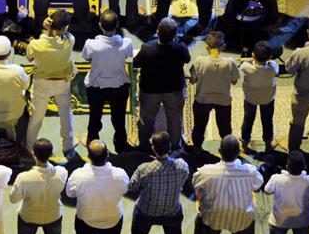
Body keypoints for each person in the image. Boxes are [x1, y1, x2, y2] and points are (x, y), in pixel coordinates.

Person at [191, 135, 263, 234]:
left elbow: (196, 184)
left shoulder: (205, 172)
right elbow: (258, 184)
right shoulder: (249, 171)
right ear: (238, 153)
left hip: (212, 216)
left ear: (219, 151)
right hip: (242, 217)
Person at [124, 132, 190, 234]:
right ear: (169, 147)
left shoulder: (144, 169)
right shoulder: (181, 166)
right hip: (172, 212)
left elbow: (132, 187)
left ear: (153, 148)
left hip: (146, 212)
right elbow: (185, 178)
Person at [66, 140, 129, 234]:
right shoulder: (119, 174)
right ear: (107, 155)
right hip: (112, 221)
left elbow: (70, 193)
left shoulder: (78, 175)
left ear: (88, 156)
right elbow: (125, 189)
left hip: (86, 221)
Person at [10, 138, 67, 234]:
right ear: (52, 154)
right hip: (53, 216)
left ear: (33, 154)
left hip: (28, 217)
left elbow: (12, 199)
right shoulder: (61, 173)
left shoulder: (24, 178)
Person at [24, 10, 76, 157]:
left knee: (37, 117)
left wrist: (45, 31)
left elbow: (29, 57)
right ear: (65, 27)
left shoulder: (36, 44)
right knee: (66, 115)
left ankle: (29, 147)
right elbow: (63, 36)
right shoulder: (70, 40)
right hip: (63, 83)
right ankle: (68, 147)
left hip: (42, 83)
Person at [133, 17, 191, 150]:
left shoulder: (147, 49)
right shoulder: (180, 49)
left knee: (146, 120)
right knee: (175, 119)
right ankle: (175, 146)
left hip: (150, 90)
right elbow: (187, 59)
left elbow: (136, 63)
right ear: (175, 34)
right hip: (174, 90)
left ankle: (144, 145)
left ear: (157, 32)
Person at [81, 9, 133, 153]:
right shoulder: (126, 43)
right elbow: (128, 55)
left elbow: (86, 57)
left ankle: (92, 141)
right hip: (119, 87)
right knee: (119, 118)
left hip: (96, 86)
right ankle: (121, 145)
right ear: (117, 25)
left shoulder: (91, 44)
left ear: (100, 25)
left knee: (95, 116)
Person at [189, 31, 239, 153]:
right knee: (225, 128)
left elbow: (192, 80)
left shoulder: (200, 61)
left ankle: (197, 148)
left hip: (202, 100)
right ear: (223, 46)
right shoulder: (230, 62)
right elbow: (234, 82)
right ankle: (227, 150)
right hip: (223, 100)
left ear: (206, 46)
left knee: (199, 126)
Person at [286, 15, 309, 152]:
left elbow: (290, 69)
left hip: (303, 94)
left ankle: (294, 151)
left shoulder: (301, 53)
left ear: (308, 33)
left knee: (298, 124)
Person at [239, 40, 279, 150]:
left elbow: (243, 65)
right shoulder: (273, 68)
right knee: (267, 121)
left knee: (248, 120)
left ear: (253, 54)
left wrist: (249, 59)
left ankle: (244, 143)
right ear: (270, 57)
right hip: (267, 99)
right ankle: (268, 144)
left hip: (250, 99)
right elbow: (273, 64)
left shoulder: (245, 67)